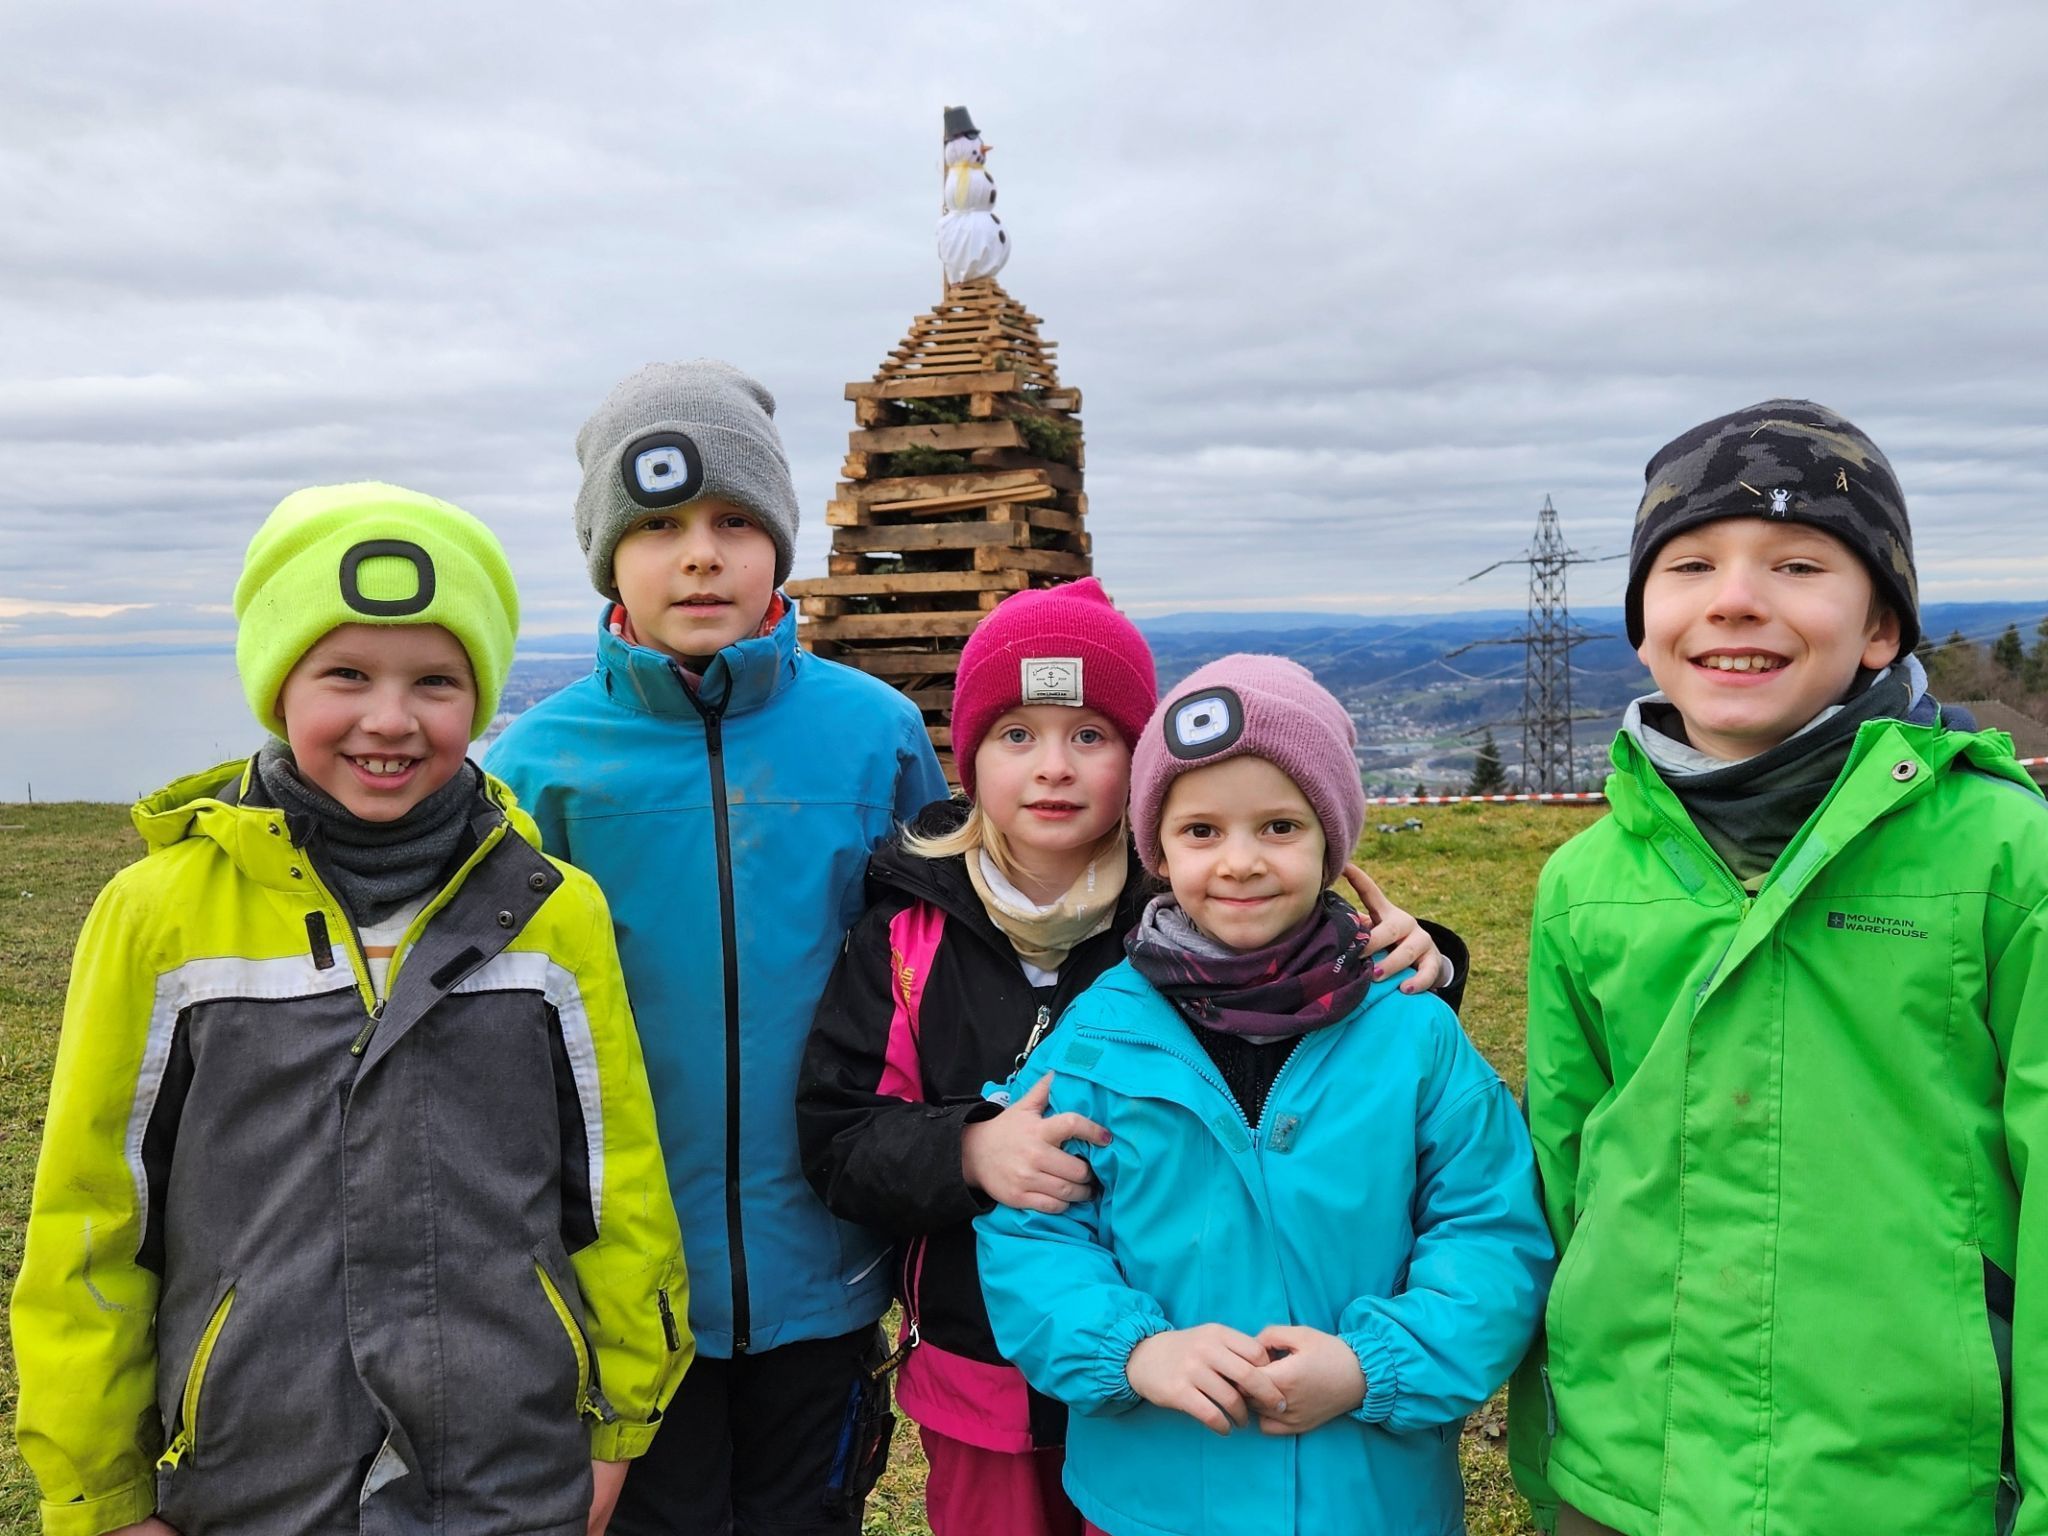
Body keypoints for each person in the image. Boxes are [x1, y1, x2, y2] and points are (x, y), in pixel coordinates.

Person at [12, 482, 688, 1536]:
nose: (390, 718)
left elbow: (616, 1192)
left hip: (509, 1475)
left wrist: (618, 1430)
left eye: (435, 680)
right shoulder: (157, 917)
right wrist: (99, 1494)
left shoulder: (557, 912)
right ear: (277, 684)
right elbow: (94, 1222)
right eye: (345, 675)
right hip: (249, 1479)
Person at [799, 582, 1463, 1535]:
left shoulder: (1193, 913)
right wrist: (967, 1153)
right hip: (983, 1367)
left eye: (1091, 735)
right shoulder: (904, 936)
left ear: (1143, 761)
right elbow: (839, 1137)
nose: (1052, 768)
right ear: (967, 758)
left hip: (1191, 1373)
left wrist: (1429, 956)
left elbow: (1312, 1017)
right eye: (1015, 734)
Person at [1508, 400, 2048, 1536]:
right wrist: (1559, 1452)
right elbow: (1558, 1179)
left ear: (1878, 629)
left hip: (1905, 1489)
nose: (1735, 597)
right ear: (1644, 627)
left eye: (1798, 563)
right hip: (1627, 1477)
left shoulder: (2006, 857)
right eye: (1689, 563)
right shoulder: (1583, 880)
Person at [486, 361, 948, 1535]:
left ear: (779, 544)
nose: (700, 555)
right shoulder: (539, 766)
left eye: (734, 521)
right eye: (657, 527)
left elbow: (970, 942)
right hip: (625, 1280)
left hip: (827, 1266)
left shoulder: (872, 735)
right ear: (605, 557)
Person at [975, 653, 1551, 1536]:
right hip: (1156, 1500)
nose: (1239, 863)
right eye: (1201, 831)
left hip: (1367, 1498)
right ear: (1157, 851)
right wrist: (1134, 1351)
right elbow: (1035, 1234)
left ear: (1333, 841)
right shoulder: (1096, 1038)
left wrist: (1372, 1366)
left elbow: (1490, 1232)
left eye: (1279, 827)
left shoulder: (1414, 1034)